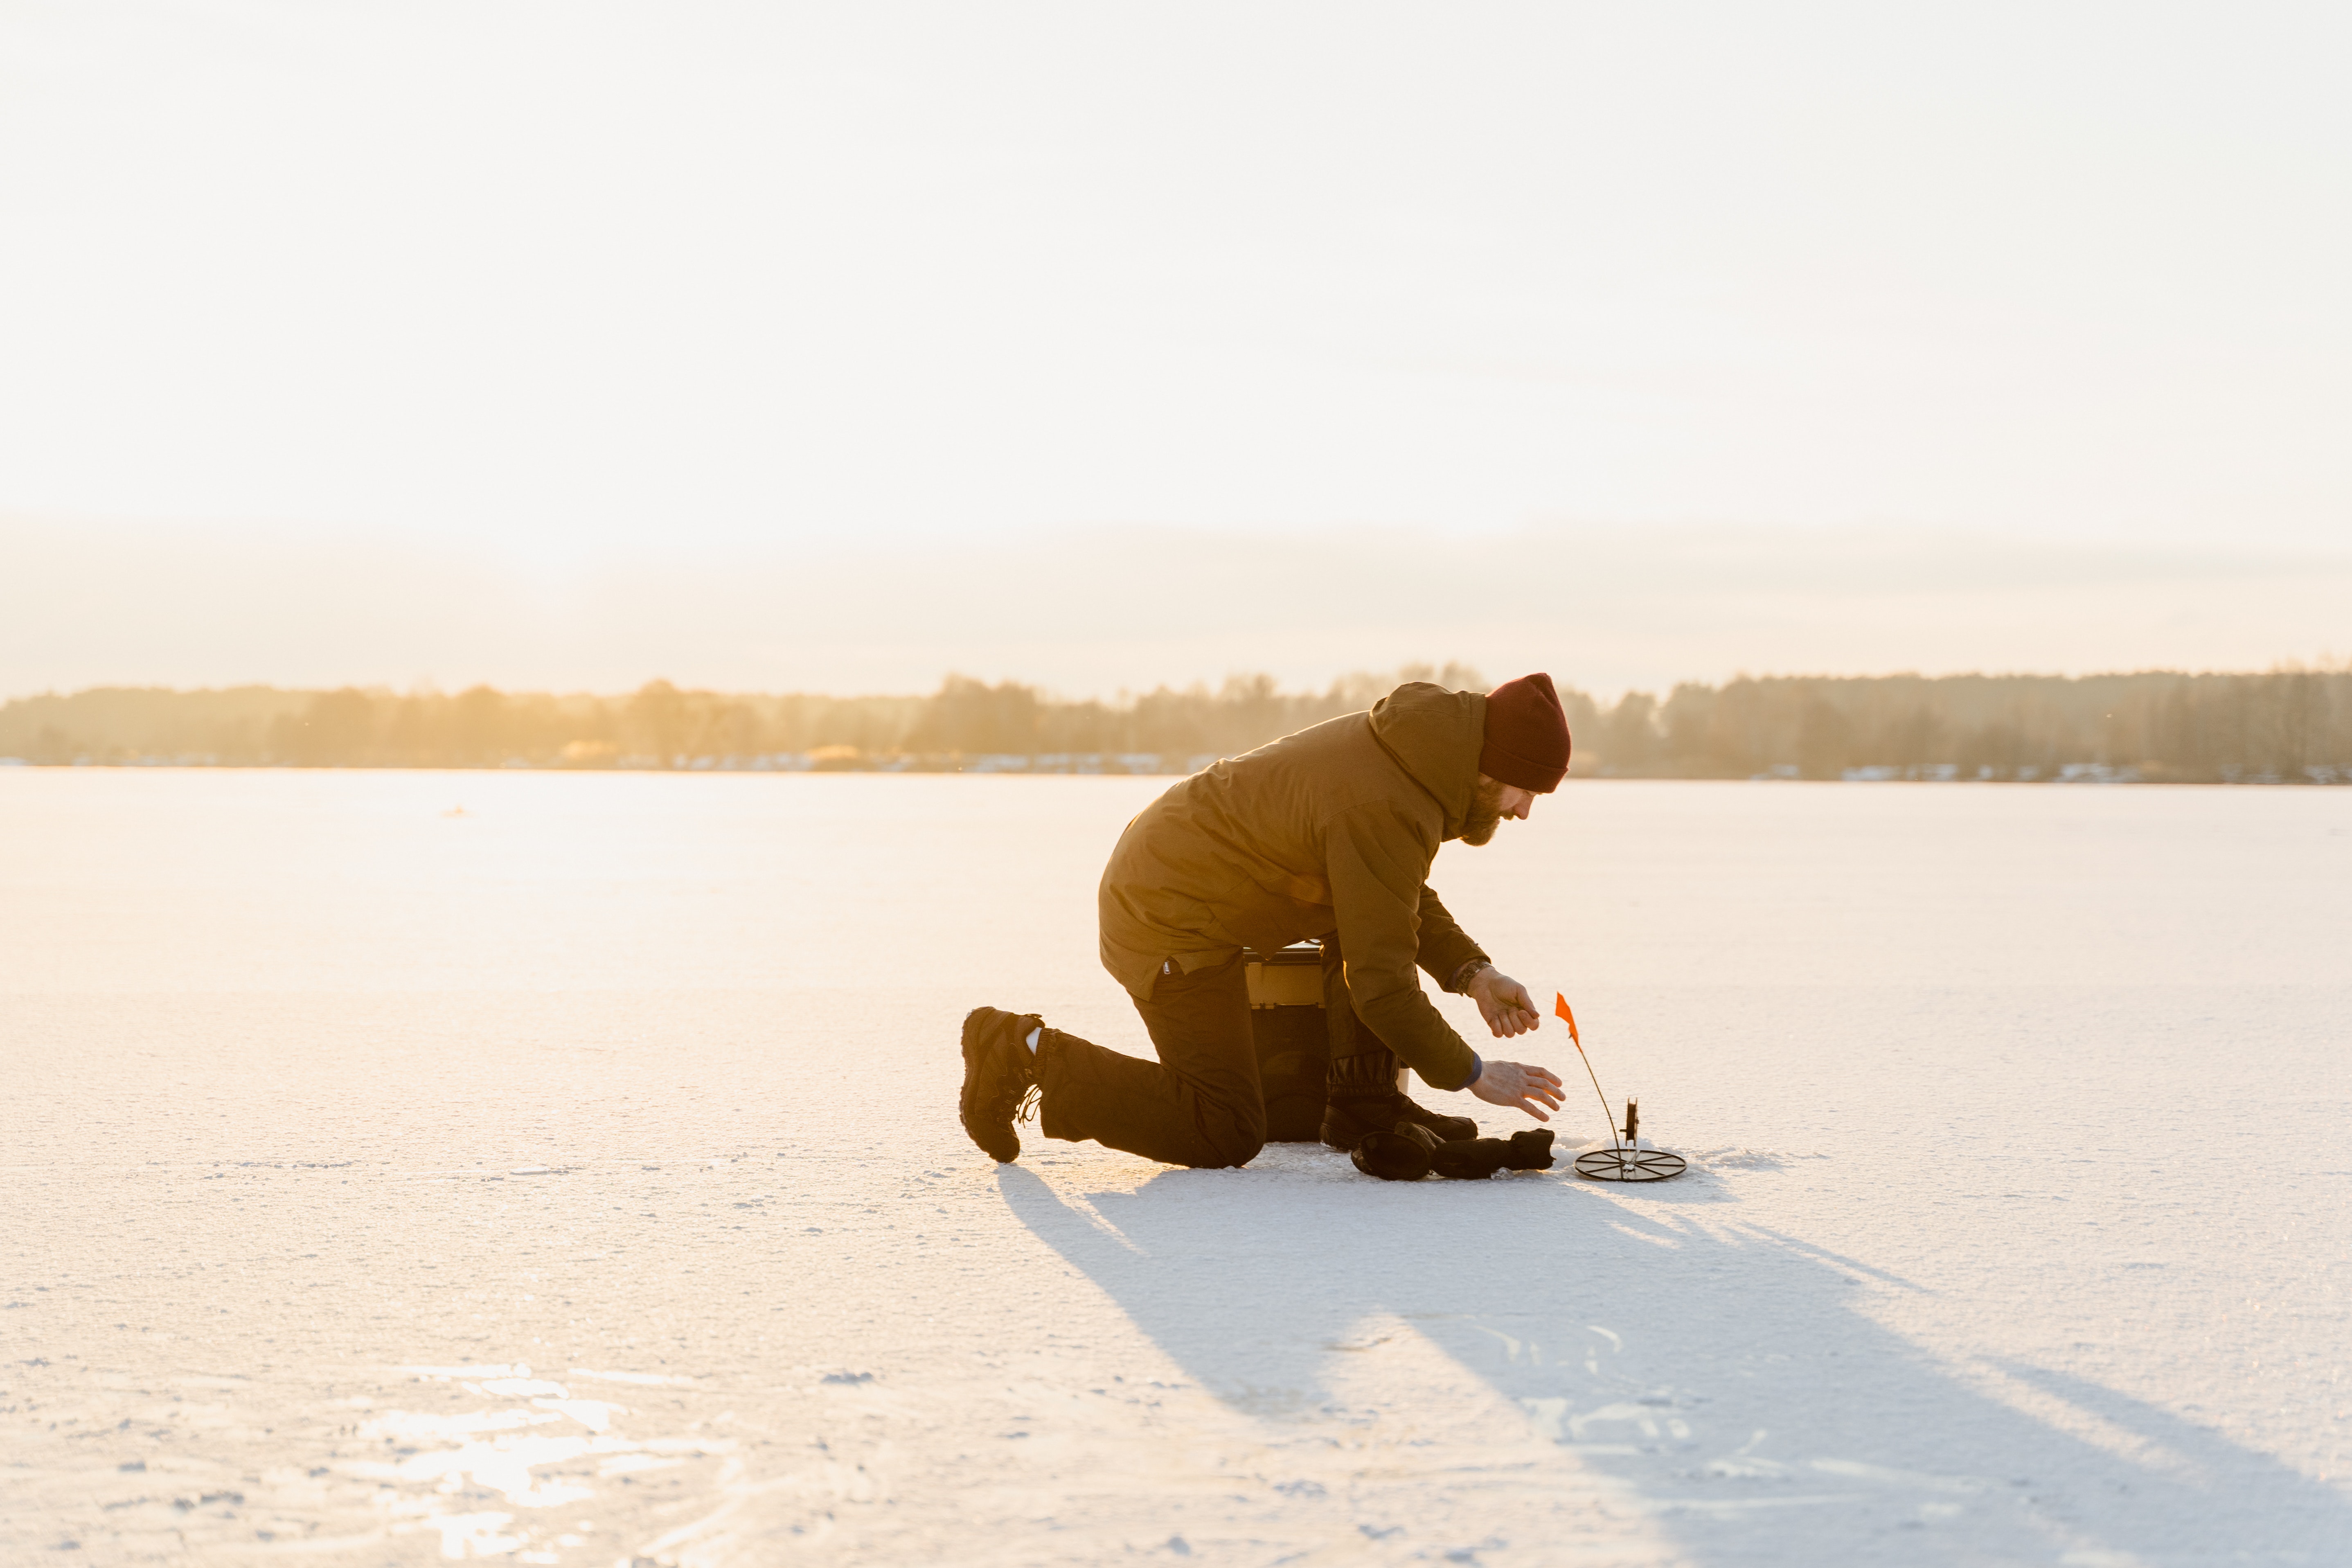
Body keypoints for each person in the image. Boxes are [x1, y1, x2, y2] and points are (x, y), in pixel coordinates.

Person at [958, 674, 1571, 1169]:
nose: (1523, 813)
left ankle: (1365, 1104)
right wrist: (1472, 1074)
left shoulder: (1414, 761)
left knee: (1358, 925)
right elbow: (1383, 984)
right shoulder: (1385, 801)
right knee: (1221, 1127)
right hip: (1167, 913)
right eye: (1527, 792)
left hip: (1192, 882)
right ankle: (1021, 1051)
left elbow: (1388, 895)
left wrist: (1474, 973)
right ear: (1492, 764)